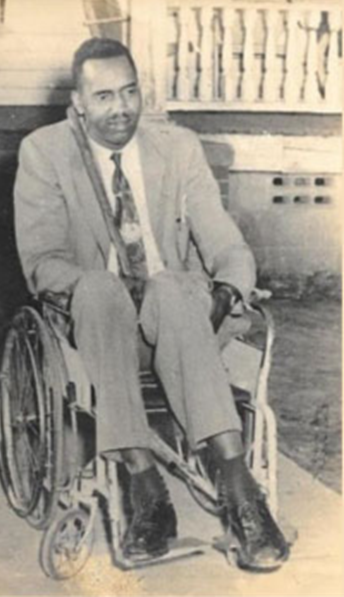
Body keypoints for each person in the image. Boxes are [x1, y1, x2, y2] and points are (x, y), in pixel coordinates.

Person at [14, 37, 289, 572]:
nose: (120, 109)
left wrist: (227, 290)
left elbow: (224, 241)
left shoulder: (178, 149)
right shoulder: (44, 153)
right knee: (97, 289)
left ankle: (240, 493)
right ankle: (145, 487)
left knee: (170, 286)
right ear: (79, 103)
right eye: (104, 97)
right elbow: (43, 261)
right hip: (97, 324)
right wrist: (112, 288)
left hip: (181, 323)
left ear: (143, 93)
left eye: (130, 92)